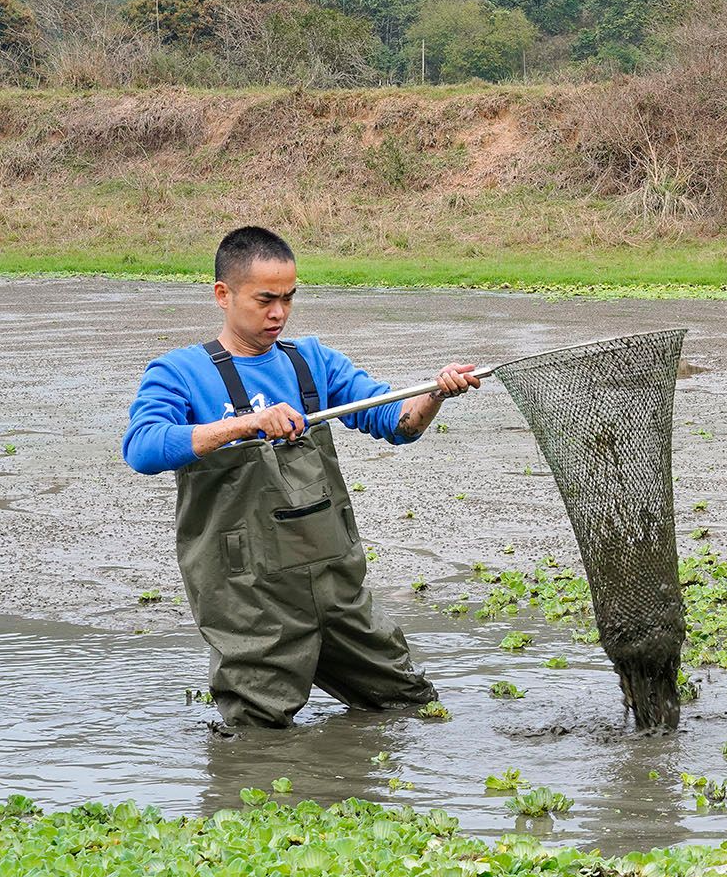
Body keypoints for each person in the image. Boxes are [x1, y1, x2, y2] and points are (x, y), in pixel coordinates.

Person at [122, 226, 480, 730]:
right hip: (248, 596)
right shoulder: (179, 372)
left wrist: (436, 394)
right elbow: (142, 448)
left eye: (289, 299)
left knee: (411, 707)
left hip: (335, 583)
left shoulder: (312, 360)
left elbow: (396, 424)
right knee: (256, 737)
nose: (279, 314)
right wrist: (245, 424)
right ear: (223, 295)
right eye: (265, 299)